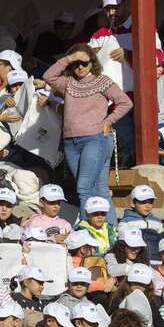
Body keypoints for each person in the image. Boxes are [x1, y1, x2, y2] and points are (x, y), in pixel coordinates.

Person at [42, 44, 132, 220]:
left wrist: (108, 121)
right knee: (98, 189)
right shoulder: (68, 84)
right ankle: (111, 232)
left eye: (84, 63)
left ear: (93, 63)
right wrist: (70, 57)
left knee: (84, 189)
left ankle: (87, 232)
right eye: (76, 64)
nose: (80, 67)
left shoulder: (102, 81)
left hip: (95, 140)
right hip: (71, 143)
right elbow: (48, 76)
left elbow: (125, 102)